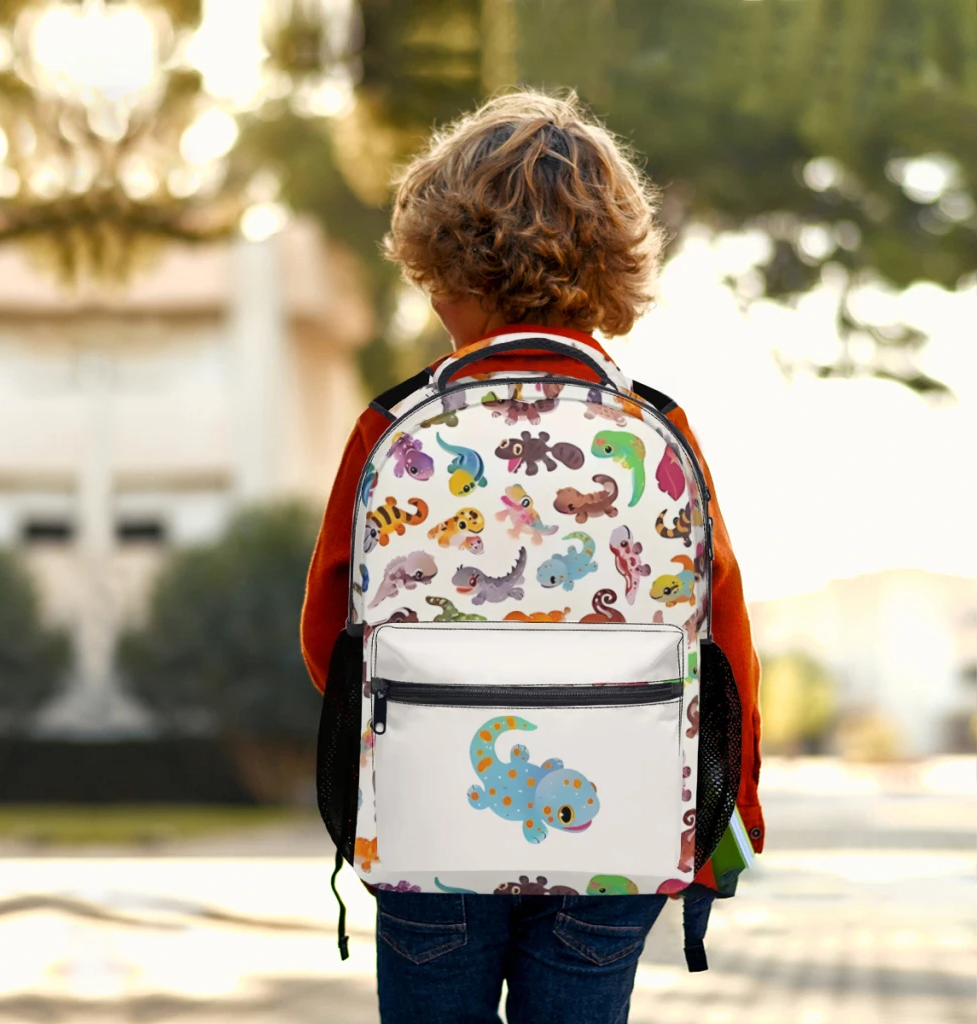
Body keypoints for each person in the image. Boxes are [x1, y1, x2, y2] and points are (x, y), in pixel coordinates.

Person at [302, 88, 763, 1024]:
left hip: (433, 825)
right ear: (614, 271)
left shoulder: (392, 428)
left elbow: (327, 639)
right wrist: (732, 815)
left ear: (443, 270)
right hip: (619, 831)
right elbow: (724, 641)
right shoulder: (658, 428)